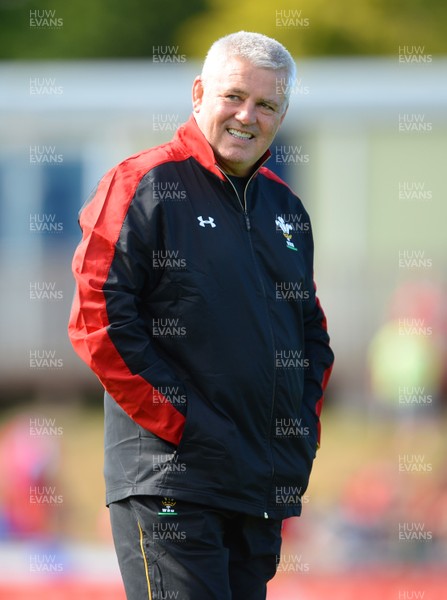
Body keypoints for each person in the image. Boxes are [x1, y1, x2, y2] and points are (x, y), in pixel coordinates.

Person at [68, 31, 334, 600]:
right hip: (171, 482)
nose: (247, 115)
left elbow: (311, 331)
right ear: (198, 93)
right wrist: (187, 426)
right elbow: (98, 321)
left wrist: (298, 435)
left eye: (266, 104)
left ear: (282, 114)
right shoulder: (141, 184)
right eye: (234, 96)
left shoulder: (286, 208)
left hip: (258, 486)